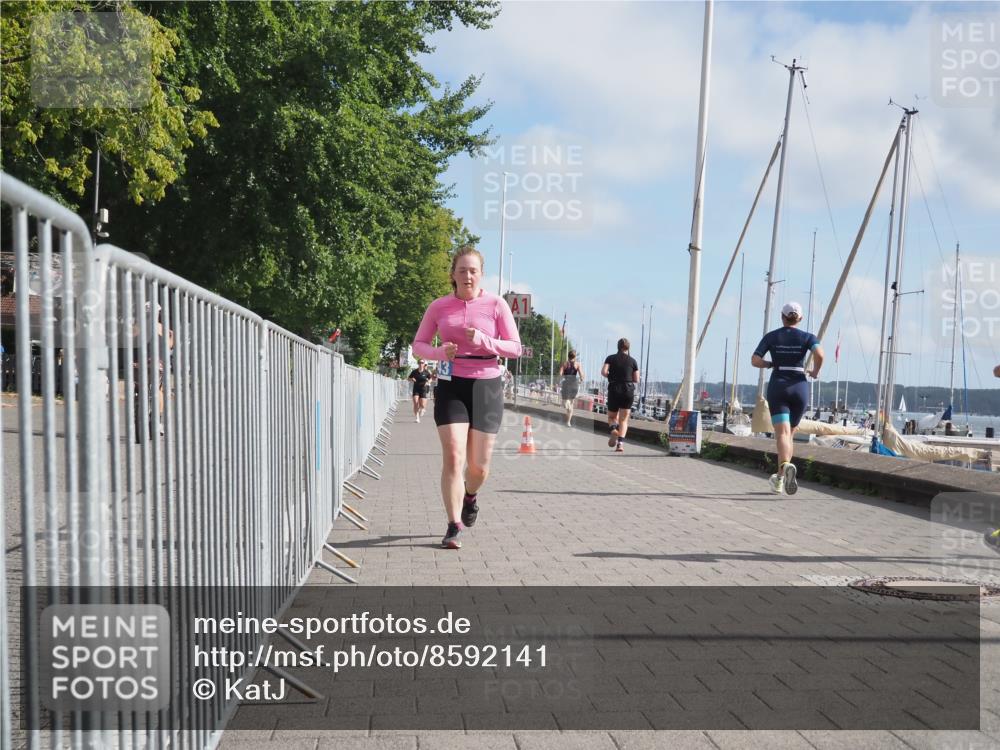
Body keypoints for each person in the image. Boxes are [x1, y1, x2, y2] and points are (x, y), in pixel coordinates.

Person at [412, 246, 522, 549]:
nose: (468, 276)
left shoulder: (496, 304)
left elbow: (515, 348)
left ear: (481, 274)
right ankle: (453, 525)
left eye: (473, 271)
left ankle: (470, 496)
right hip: (451, 384)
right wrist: (439, 352)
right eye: (462, 270)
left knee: (479, 468)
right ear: (453, 274)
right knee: (453, 456)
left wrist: (485, 340)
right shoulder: (439, 306)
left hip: (486, 386)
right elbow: (418, 345)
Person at [751, 301, 824, 495]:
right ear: (800, 318)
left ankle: (784, 466)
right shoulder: (808, 337)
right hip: (800, 387)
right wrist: (815, 371)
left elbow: (755, 360)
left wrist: (769, 364)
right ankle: (780, 479)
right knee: (789, 435)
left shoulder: (772, 336)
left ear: (782, 317)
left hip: (779, 386)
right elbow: (820, 354)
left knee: (782, 435)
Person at [601, 338, 639, 453]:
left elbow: (604, 372)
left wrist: (611, 376)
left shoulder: (610, 358)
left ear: (618, 347)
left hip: (614, 388)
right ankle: (620, 444)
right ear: (628, 347)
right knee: (624, 420)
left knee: (612, 417)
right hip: (628, 390)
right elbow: (636, 379)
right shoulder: (633, 361)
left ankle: (613, 429)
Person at [559, 350, 583, 426]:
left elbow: (560, 373)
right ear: (575, 357)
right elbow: (582, 375)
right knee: (569, 404)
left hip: (569, 385)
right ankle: (568, 418)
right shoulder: (574, 364)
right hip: (571, 385)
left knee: (567, 403)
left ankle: (568, 421)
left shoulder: (566, 364)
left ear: (568, 356)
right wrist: (581, 380)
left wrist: (561, 377)